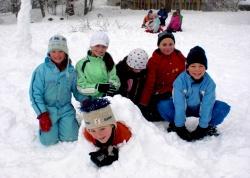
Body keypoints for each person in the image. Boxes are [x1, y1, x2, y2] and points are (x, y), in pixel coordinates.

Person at [158, 46, 231, 141]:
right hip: (183, 107)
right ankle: (175, 123)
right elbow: (179, 104)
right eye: (193, 66)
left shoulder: (209, 83)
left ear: (205, 68)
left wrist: (202, 127)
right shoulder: (180, 81)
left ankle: (209, 126)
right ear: (187, 67)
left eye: (201, 66)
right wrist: (180, 126)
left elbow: (207, 105)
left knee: (222, 108)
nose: (197, 70)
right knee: (163, 105)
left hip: (199, 108)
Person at [29, 34, 87, 146]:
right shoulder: (41, 70)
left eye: (60, 51)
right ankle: (48, 129)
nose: (57, 55)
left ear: (65, 53)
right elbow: (35, 94)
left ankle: (71, 123)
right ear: (49, 53)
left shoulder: (71, 71)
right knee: (48, 141)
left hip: (66, 109)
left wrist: (85, 101)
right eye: (54, 51)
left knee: (71, 137)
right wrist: (42, 114)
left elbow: (76, 90)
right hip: (48, 111)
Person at [139, 31, 186, 122]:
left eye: (170, 44)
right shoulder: (154, 61)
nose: (168, 47)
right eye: (164, 44)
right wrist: (143, 103)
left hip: (176, 92)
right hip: (160, 93)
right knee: (156, 111)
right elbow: (149, 83)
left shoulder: (179, 58)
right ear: (159, 45)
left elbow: (183, 79)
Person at [80, 98, 132, 167]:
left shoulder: (124, 134)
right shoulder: (88, 135)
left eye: (102, 128)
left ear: (112, 125)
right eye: (92, 130)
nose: (98, 135)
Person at [76, 31, 120, 98]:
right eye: (97, 45)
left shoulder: (109, 61)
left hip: (107, 99)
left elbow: (114, 80)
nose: (100, 49)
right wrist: (97, 87)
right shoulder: (81, 64)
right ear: (91, 46)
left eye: (103, 46)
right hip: (89, 101)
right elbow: (80, 87)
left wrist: (112, 87)